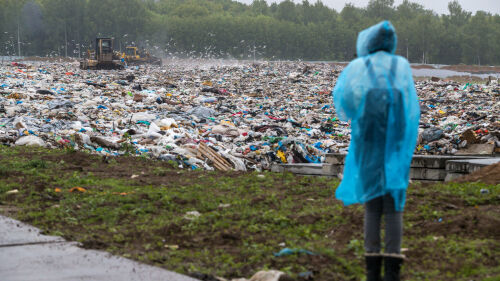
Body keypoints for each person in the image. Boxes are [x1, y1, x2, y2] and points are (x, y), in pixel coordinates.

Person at [332, 21, 420, 281]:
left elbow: (345, 104)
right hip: (395, 145)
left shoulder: (359, 67)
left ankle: (372, 270)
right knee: (393, 206)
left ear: (368, 42)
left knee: (372, 206)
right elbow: (411, 107)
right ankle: (392, 271)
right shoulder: (400, 65)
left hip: (367, 142)